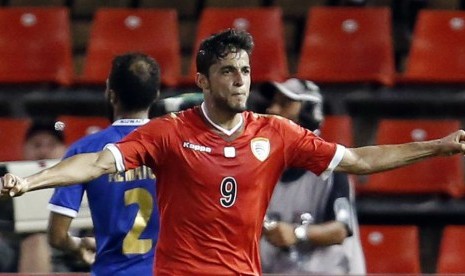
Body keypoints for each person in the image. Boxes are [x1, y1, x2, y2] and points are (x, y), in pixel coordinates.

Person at [1, 28, 465, 275]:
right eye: (227, 71)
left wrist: (439, 147)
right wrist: (31, 180)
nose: (240, 79)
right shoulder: (169, 132)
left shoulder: (278, 132)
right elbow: (96, 162)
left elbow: (360, 160)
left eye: (244, 70)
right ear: (203, 80)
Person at [47, 52, 160, 276]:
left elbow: (57, 236)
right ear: (155, 95)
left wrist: (78, 245)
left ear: (112, 95)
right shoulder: (175, 145)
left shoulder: (84, 150)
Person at [257, 78, 365, 274]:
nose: (272, 110)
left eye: (284, 103)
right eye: (273, 103)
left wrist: (297, 233)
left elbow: (340, 230)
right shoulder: (262, 168)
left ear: (308, 111)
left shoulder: (332, 166)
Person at [20, 119, 67, 273]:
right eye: (37, 145)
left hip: (68, 249)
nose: (44, 152)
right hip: (15, 248)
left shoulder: (79, 181)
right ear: (25, 149)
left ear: (64, 149)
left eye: (51, 145)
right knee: (35, 242)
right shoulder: (8, 180)